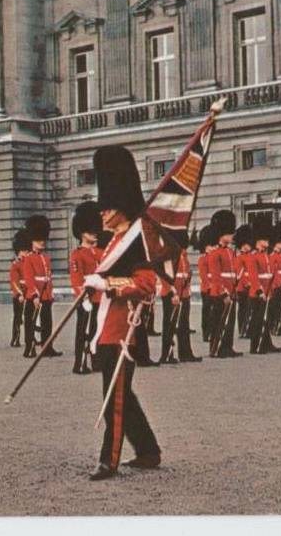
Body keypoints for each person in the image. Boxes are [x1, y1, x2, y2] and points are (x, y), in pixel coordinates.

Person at [83, 146, 160, 481]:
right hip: (107, 327)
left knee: (114, 397)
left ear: (121, 208)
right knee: (123, 395)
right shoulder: (114, 242)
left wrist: (107, 285)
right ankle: (148, 451)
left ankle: (109, 460)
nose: (102, 213)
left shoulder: (135, 242)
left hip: (123, 330)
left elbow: (146, 284)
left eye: (108, 207)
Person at [69, 201, 103, 374]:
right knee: (83, 332)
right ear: (82, 233)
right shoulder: (77, 254)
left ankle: (96, 361)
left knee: (97, 331)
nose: (95, 234)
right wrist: (83, 297)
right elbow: (76, 279)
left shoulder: (99, 253)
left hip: (100, 297)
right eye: (91, 231)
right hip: (86, 299)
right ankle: (80, 363)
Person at [21, 215, 62, 359]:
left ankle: (47, 346)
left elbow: (48, 278)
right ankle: (29, 347)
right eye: (39, 240)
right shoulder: (28, 258)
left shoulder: (46, 258)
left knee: (47, 323)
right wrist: (34, 295)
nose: (42, 242)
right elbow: (29, 278)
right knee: (30, 323)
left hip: (45, 295)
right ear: (32, 241)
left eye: (43, 239)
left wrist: (50, 293)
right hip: (35, 296)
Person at [159, 230, 202, 364]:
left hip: (183, 293)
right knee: (170, 325)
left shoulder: (183, 255)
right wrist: (172, 293)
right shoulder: (168, 255)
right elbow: (164, 276)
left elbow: (185, 274)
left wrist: (185, 293)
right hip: (172, 294)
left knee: (184, 325)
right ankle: (166, 354)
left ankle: (185, 353)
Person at [207, 210, 243, 359]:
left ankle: (228, 346)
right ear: (221, 235)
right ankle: (217, 348)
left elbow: (232, 272)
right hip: (220, 293)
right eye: (228, 234)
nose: (231, 236)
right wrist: (224, 293)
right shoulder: (215, 254)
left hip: (231, 290)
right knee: (219, 321)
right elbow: (216, 276)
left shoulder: (230, 252)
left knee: (230, 321)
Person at [247, 215, 281, 354]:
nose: (267, 242)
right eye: (265, 239)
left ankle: (266, 343)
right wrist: (260, 292)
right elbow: (254, 277)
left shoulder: (266, 256)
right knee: (257, 320)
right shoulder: (253, 256)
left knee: (265, 319)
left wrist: (272, 289)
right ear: (258, 240)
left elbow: (270, 274)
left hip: (268, 292)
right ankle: (255, 346)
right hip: (258, 294)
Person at [9, 230, 31, 348]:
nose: (25, 253)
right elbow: (14, 281)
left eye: (27, 251)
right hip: (19, 294)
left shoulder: (28, 262)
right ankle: (15, 338)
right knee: (18, 317)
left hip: (29, 293)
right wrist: (19, 294)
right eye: (23, 251)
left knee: (30, 317)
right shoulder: (15, 264)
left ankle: (31, 336)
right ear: (18, 251)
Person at [197, 225, 217, 344]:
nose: (212, 248)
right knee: (206, 311)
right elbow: (203, 276)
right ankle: (206, 333)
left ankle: (213, 331)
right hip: (207, 289)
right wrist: (209, 286)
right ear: (205, 246)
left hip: (215, 288)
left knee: (214, 312)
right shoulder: (202, 259)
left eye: (214, 245)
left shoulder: (215, 258)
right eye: (210, 246)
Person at [234, 225, 254, 339]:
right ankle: (242, 329)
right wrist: (246, 283)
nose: (248, 247)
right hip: (242, 287)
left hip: (251, 287)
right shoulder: (239, 257)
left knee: (249, 308)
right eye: (246, 244)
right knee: (243, 309)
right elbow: (240, 273)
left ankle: (248, 328)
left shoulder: (250, 256)